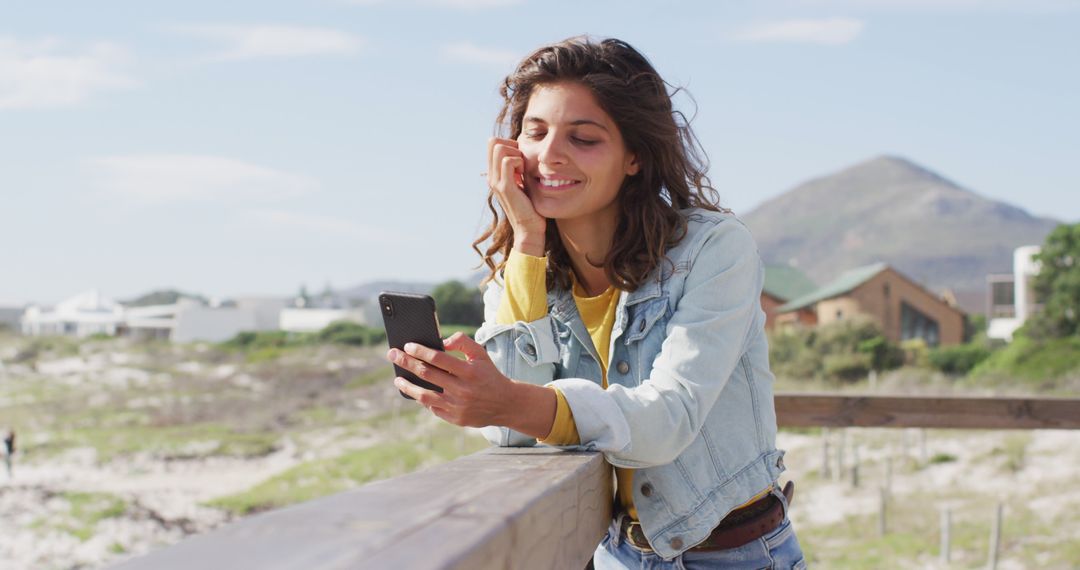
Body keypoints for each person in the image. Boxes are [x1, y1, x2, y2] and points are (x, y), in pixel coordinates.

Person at [386, 36, 803, 569]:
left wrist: (508, 400)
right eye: (534, 132)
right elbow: (512, 432)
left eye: (582, 138)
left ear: (634, 157)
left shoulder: (713, 249)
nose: (548, 155)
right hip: (616, 555)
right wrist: (527, 240)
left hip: (736, 554)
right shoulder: (521, 264)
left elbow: (670, 419)